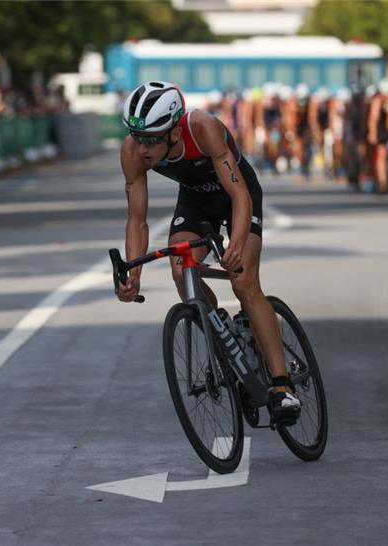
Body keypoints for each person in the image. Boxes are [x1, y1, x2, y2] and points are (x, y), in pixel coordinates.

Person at [116, 80, 300, 423]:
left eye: (153, 139)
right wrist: (134, 275)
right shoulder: (132, 152)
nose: (143, 148)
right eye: (138, 137)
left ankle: (282, 385)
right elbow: (137, 220)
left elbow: (240, 196)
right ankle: (222, 328)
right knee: (180, 270)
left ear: (173, 131)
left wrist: (238, 242)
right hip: (195, 200)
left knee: (243, 281)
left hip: (238, 195)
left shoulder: (203, 128)